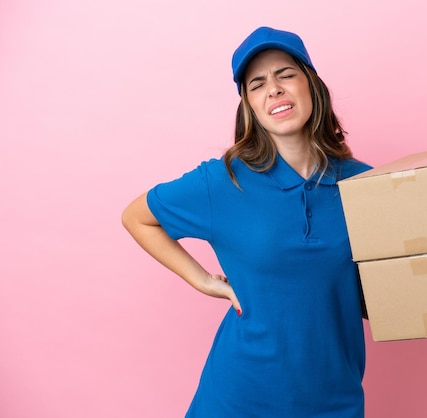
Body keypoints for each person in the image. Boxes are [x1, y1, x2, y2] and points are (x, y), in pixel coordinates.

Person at [122, 26, 371, 417]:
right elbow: (137, 218)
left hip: (334, 398)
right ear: (249, 105)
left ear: (312, 85)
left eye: (286, 74)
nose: (274, 89)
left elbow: (380, 283)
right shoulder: (223, 181)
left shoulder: (366, 185)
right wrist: (203, 280)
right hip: (240, 397)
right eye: (258, 84)